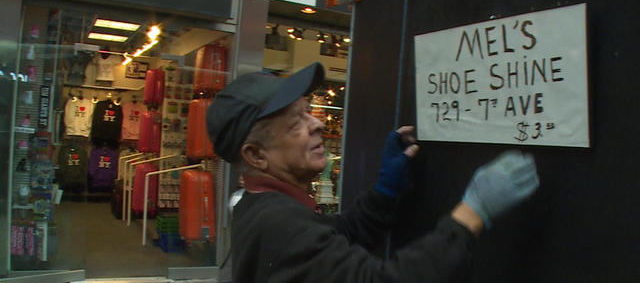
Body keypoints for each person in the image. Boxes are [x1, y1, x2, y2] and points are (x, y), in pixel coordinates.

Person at [206, 62, 540, 283]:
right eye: (296, 123)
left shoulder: (262, 205)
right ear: (256, 155)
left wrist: (385, 190)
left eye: (309, 113)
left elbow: (341, 235)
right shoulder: (277, 222)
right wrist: (472, 213)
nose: (318, 123)